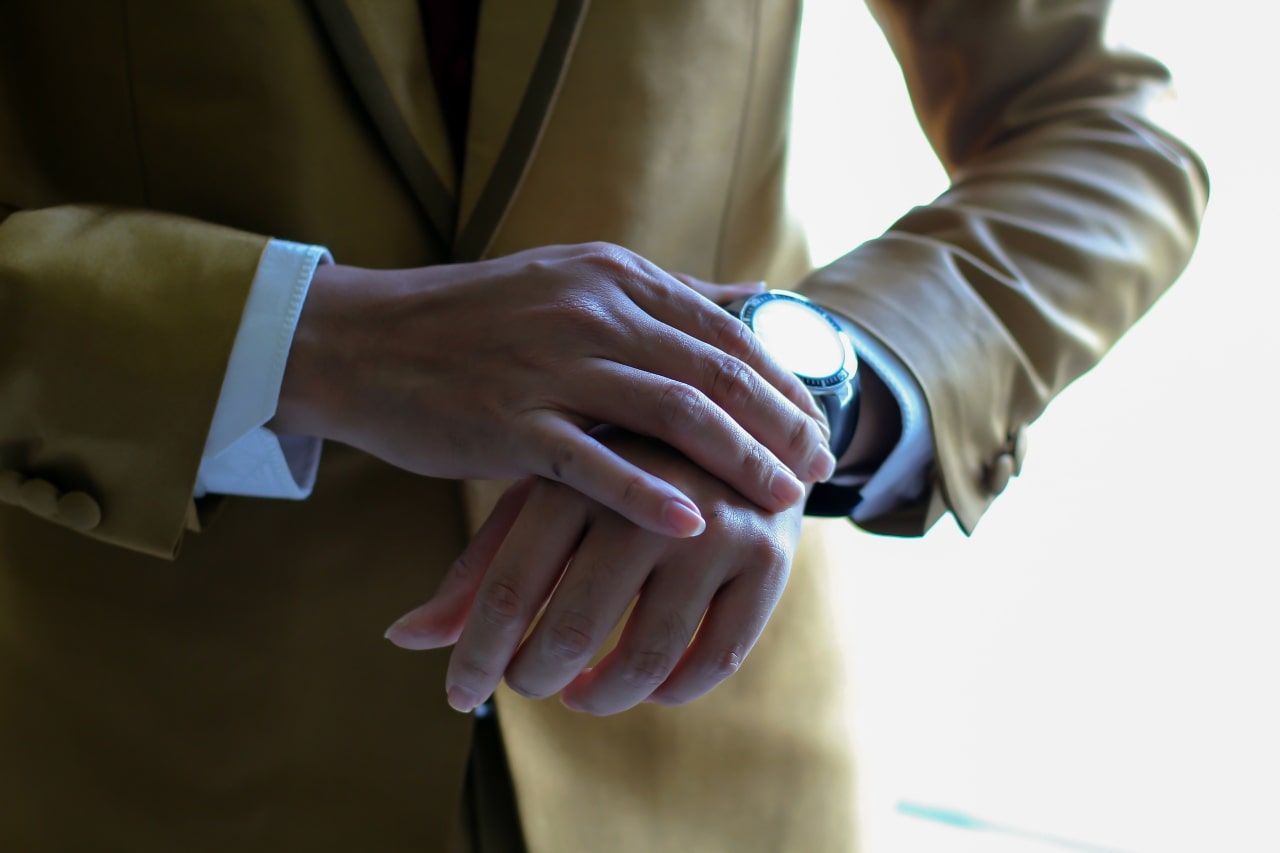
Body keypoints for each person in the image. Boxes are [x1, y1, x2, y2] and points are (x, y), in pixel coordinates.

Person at [0, 1, 1206, 851]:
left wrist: (791, 386)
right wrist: (321, 339)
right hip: (122, 770)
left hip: (718, 765)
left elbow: (1101, 124)